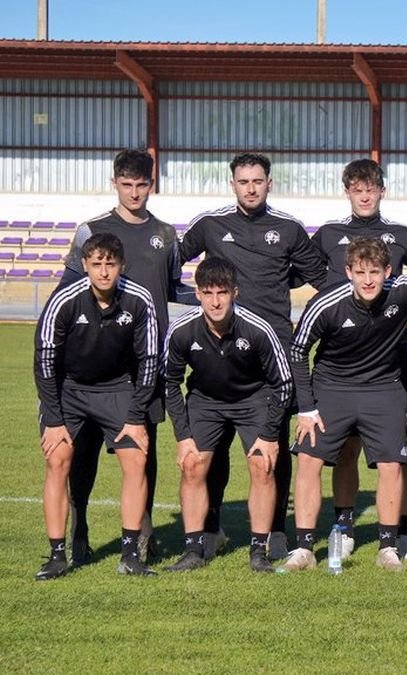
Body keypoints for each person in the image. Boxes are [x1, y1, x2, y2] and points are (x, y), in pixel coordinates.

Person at [179, 153, 328, 561]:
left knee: (271, 448)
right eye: (243, 181)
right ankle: (211, 529)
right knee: (215, 448)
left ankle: (276, 530)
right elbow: (168, 265)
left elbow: (324, 279)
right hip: (218, 353)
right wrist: (188, 302)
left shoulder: (288, 229)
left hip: (271, 356)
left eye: (257, 181)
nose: (250, 187)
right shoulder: (210, 225)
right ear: (232, 184)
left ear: (269, 184)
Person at [280, 238, 407, 573]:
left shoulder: (402, 291)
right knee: (309, 460)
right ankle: (304, 549)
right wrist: (307, 408)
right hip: (331, 389)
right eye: (360, 272)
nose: (368, 280)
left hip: (383, 389)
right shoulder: (326, 303)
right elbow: (298, 351)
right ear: (348, 272)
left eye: (375, 272)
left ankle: (388, 548)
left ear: (388, 271)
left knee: (391, 465)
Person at [60, 149, 191, 566]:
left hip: (144, 362)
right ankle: (78, 523)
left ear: (152, 185)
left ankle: (143, 533)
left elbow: (174, 290)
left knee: (142, 451)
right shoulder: (91, 231)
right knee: (84, 452)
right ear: (115, 182)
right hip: (94, 362)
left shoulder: (167, 235)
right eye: (127, 184)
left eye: (142, 184)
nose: (134, 192)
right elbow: (66, 292)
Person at [310, 159, 407, 561]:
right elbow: (302, 273)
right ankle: (344, 523)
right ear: (347, 191)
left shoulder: (400, 235)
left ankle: (400, 530)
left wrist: (403, 310)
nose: (364, 195)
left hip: (391, 361)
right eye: (356, 189)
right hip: (341, 364)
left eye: (371, 188)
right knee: (345, 448)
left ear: (382, 190)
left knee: (399, 451)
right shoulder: (329, 235)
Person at [34, 233, 158, 579]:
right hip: (68, 389)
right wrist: (55, 420)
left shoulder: (139, 299)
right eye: (97, 264)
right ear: (85, 265)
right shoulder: (64, 301)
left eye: (111, 264)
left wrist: (135, 419)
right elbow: (44, 362)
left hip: (117, 388)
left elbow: (149, 361)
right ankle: (58, 555)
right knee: (57, 459)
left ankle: (130, 555)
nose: (104, 272)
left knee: (136, 459)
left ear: (122, 266)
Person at [161, 257, 293, 573]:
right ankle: (194, 549)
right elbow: (168, 382)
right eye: (208, 293)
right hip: (206, 401)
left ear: (235, 292)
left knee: (262, 465)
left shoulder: (258, 329)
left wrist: (270, 434)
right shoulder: (182, 330)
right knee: (192, 465)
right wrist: (183, 436)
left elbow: (283, 383)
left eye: (222, 292)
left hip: (253, 399)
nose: (216, 301)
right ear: (198, 294)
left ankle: (259, 551)